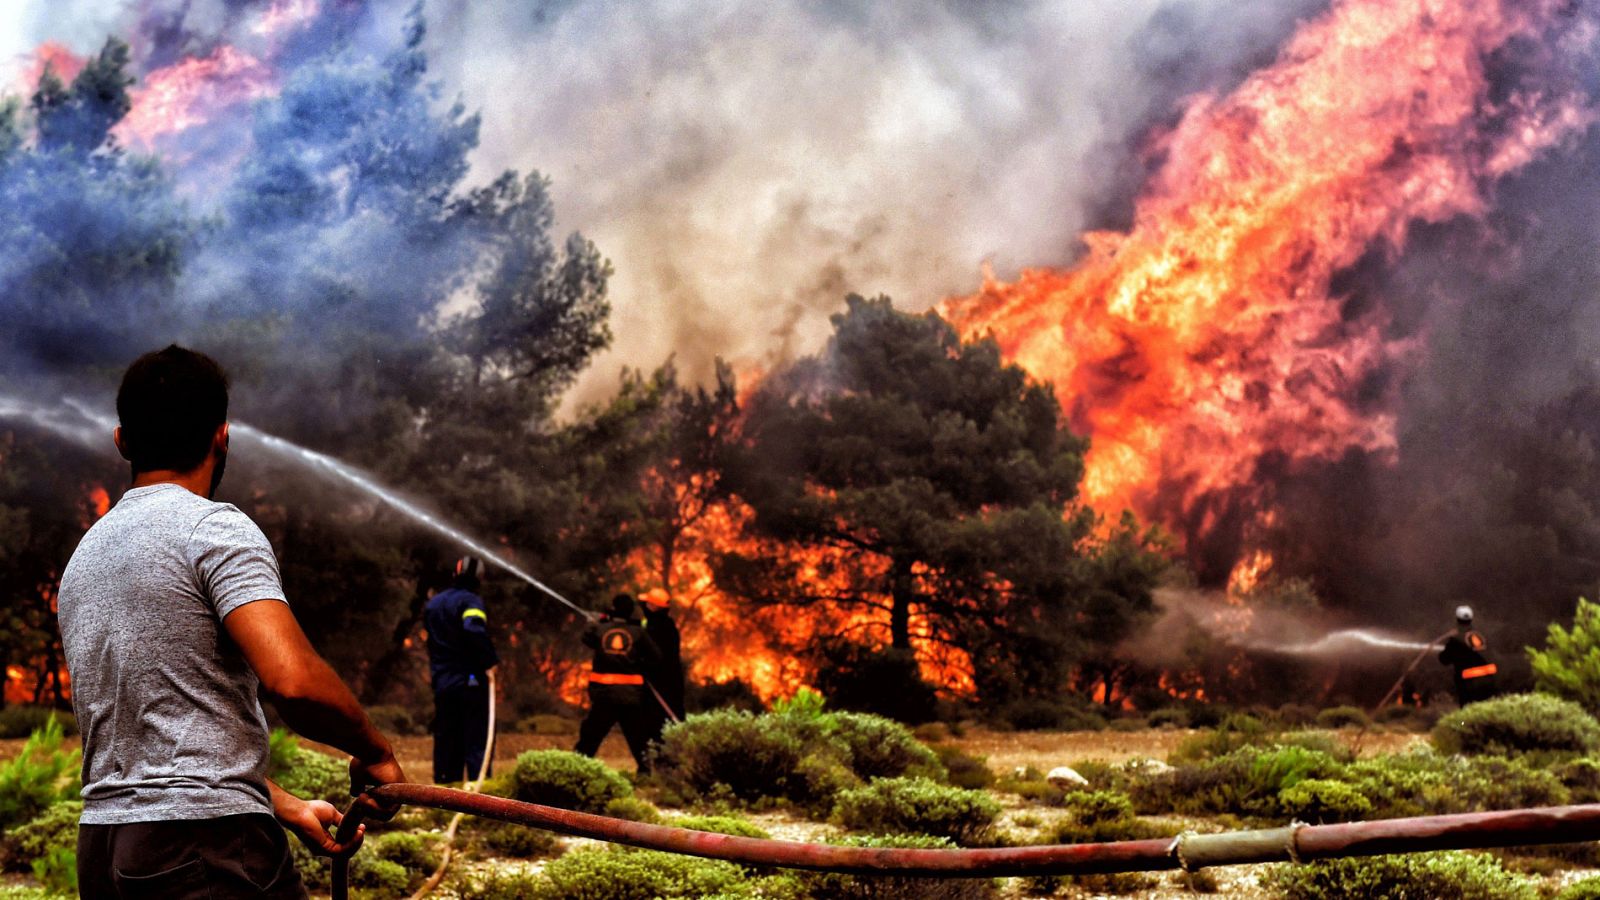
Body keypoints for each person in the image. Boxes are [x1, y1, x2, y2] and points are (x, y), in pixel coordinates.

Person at [57, 345, 406, 899]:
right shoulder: (213, 529)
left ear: (122, 440)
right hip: (204, 849)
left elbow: (161, 749)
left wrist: (283, 804)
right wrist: (375, 751)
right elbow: (294, 683)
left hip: (105, 849)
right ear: (223, 436)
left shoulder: (87, 557)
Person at [423, 556, 500, 783]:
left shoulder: (434, 603)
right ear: (479, 579)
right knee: (477, 738)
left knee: (447, 738)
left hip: (443, 681)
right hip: (470, 681)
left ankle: (445, 792)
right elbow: (473, 630)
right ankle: (481, 797)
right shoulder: (471, 602)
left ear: (455, 575)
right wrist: (490, 661)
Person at [574, 593, 661, 772]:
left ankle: (575, 769)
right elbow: (656, 657)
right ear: (631, 612)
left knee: (590, 737)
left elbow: (586, 639)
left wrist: (594, 622)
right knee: (637, 737)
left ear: (613, 608)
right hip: (630, 697)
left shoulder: (600, 629)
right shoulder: (638, 633)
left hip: (604, 696)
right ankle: (646, 772)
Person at [641, 588, 685, 725]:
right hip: (670, 680)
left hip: (659, 682)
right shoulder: (667, 625)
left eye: (647, 604)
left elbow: (654, 655)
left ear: (654, 607)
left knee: (661, 719)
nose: (644, 606)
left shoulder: (658, 627)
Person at [1439, 604, 1498, 706]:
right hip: (1489, 681)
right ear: (1471, 619)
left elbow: (1444, 659)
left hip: (1469, 684)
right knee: (1485, 711)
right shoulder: (1481, 635)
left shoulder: (1456, 639)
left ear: (1457, 620)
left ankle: (1463, 723)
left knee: (1466, 713)